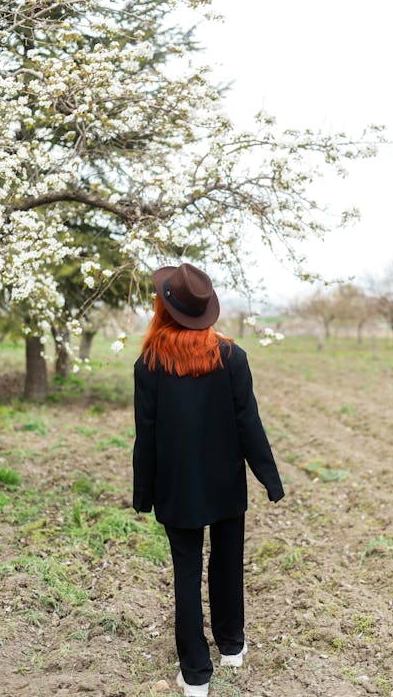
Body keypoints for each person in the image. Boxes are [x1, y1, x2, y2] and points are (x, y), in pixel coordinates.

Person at [132, 262, 285, 697]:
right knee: (226, 560)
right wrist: (268, 479)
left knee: (186, 571)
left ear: (164, 308)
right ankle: (232, 647)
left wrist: (143, 492)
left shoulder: (150, 364)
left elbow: (147, 437)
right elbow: (248, 425)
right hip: (224, 483)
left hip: (177, 488)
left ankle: (196, 675)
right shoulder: (232, 357)